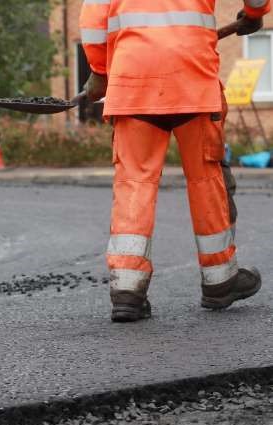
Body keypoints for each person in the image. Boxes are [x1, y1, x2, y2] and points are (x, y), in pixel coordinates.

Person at [80, 0, 268, 322]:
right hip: (192, 78)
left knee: (134, 183)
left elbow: (93, 21)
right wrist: (253, 15)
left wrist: (100, 71)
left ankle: (128, 289)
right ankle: (220, 279)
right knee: (207, 179)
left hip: (132, 81)